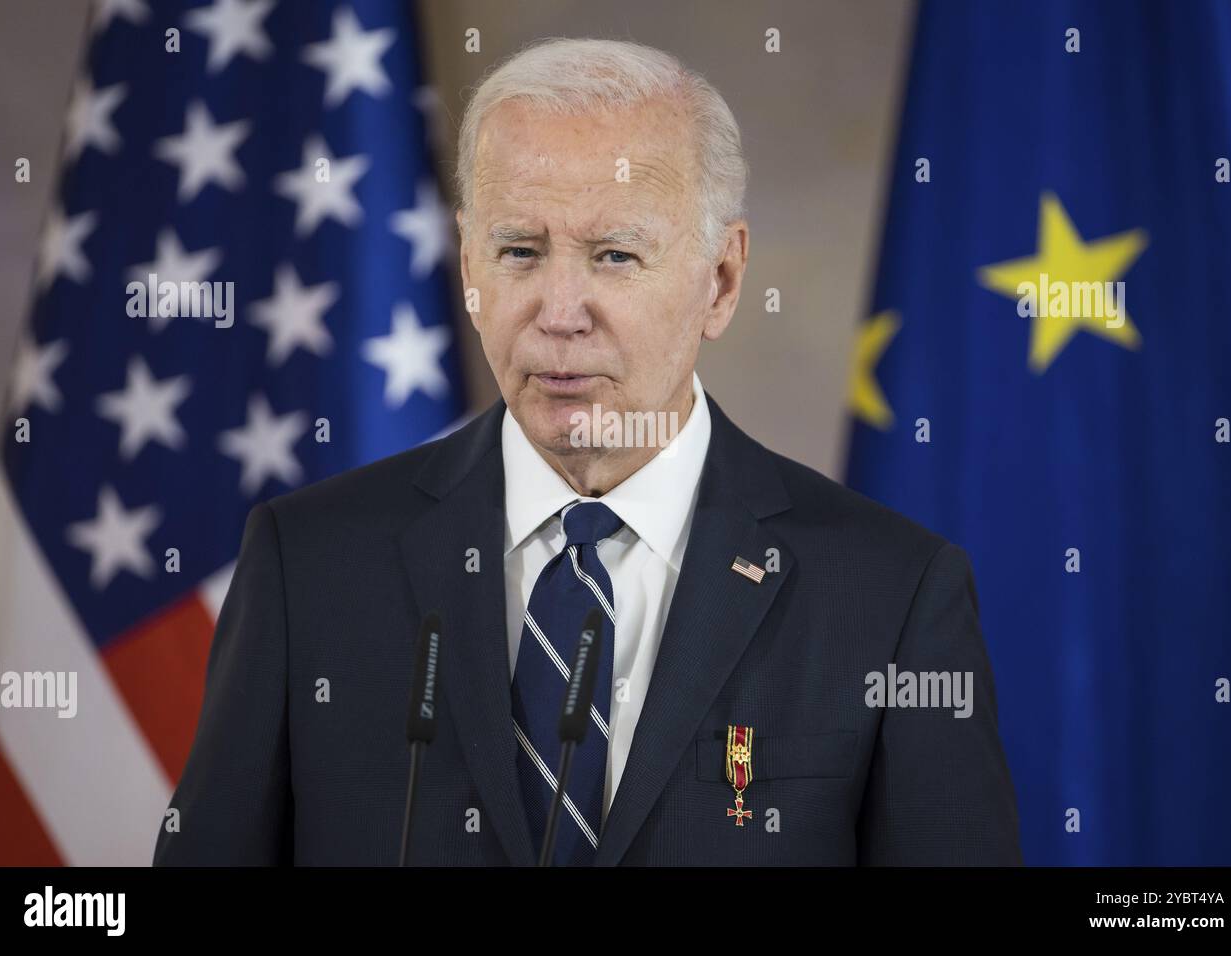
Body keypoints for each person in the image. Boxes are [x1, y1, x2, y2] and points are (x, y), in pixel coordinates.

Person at [154, 37, 1022, 866]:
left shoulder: (891, 598)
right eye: (520, 252)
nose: (560, 310)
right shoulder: (308, 566)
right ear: (467, 266)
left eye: (614, 255)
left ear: (721, 280)